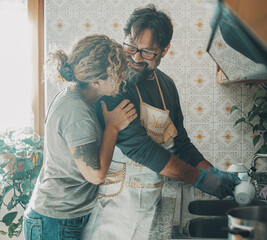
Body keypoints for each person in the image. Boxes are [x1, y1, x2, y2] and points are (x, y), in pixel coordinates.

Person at [81, 5, 240, 240]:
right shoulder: (112, 84)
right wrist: (200, 179)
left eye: (147, 52)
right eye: (131, 47)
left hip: (151, 203)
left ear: (164, 51)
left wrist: (212, 171)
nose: (136, 58)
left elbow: (181, 144)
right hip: (115, 209)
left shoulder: (166, 85)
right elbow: (140, 148)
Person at [23, 34, 137, 240]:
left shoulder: (77, 97)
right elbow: (95, 175)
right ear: (95, 81)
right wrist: (113, 126)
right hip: (55, 221)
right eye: (117, 74)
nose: (123, 77)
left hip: (60, 218)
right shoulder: (76, 111)